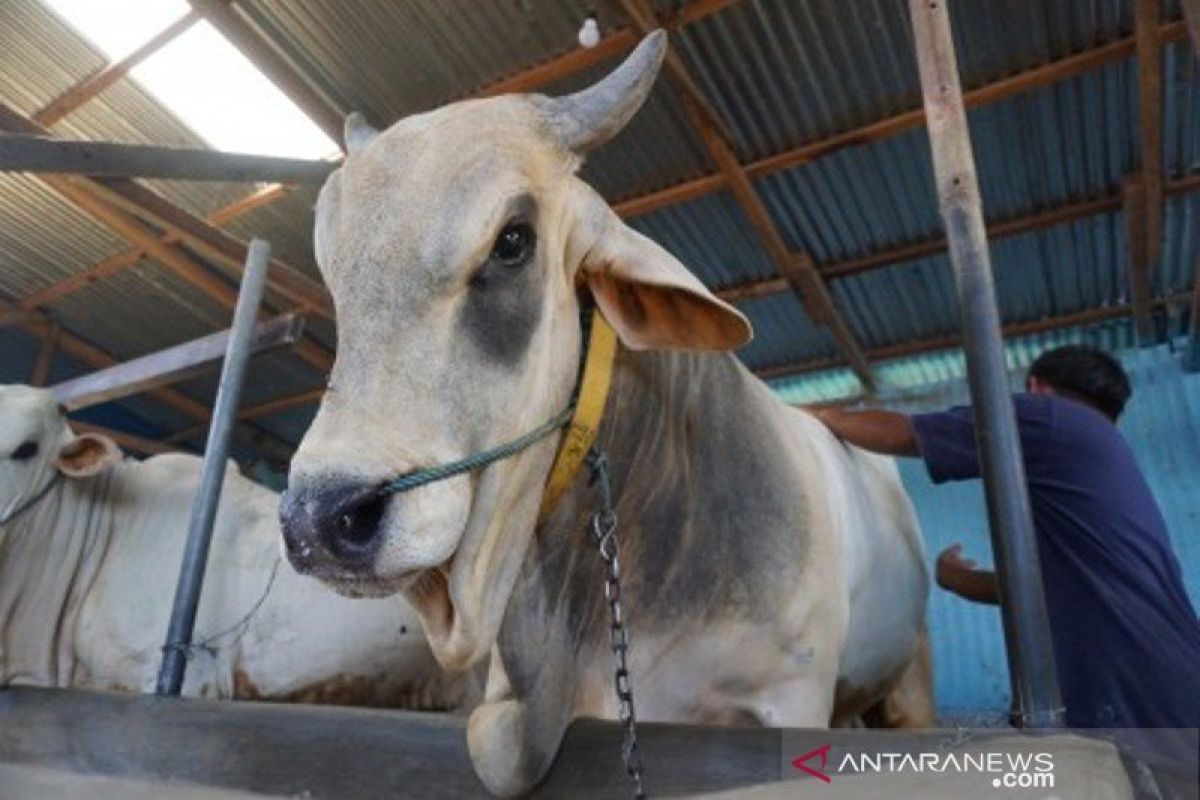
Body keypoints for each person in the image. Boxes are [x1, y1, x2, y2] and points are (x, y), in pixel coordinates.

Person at [810, 345, 1200, 784]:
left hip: (1135, 696)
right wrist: (960, 580)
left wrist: (815, 418)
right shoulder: (1101, 452)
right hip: (1168, 686)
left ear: (1035, 388)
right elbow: (1047, 586)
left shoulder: (1052, 419)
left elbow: (907, 433)